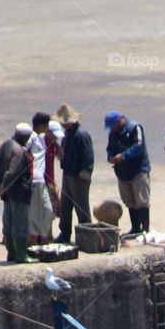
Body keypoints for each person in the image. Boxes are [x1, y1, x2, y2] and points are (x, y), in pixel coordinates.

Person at [0, 122, 33, 263]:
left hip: (7, 195)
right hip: (19, 193)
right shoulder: (19, 151)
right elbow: (12, 173)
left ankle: (11, 254)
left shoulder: (4, 145)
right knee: (20, 225)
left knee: (8, 224)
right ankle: (21, 255)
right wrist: (3, 186)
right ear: (25, 137)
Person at [105, 110, 151, 236]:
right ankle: (135, 227)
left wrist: (124, 155)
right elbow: (109, 148)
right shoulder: (113, 133)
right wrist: (109, 156)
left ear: (119, 120)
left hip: (138, 169)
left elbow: (139, 146)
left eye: (112, 126)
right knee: (129, 200)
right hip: (122, 172)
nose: (112, 129)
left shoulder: (135, 127)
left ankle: (146, 229)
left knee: (142, 200)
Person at [55, 103, 94, 243]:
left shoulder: (82, 135)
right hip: (68, 173)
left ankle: (87, 235)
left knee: (81, 207)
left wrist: (84, 174)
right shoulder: (67, 134)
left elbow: (88, 156)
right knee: (65, 206)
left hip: (78, 176)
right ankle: (65, 233)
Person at [26, 113, 53, 247]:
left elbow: (53, 138)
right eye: (46, 125)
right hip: (35, 180)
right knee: (35, 215)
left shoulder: (42, 137)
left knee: (48, 211)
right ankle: (34, 245)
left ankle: (43, 240)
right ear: (41, 125)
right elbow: (22, 150)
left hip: (41, 181)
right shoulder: (30, 138)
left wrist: (58, 147)